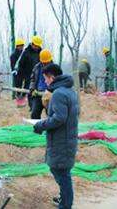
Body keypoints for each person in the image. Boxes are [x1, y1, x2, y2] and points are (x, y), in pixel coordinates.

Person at [33, 64, 79, 209]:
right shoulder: (70, 91)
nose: (45, 82)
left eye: (45, 78)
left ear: (52, 77)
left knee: (61, 173)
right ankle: (64, 198)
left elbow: (59, 118)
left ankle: (65, 204)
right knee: (61, 171)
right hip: (66, 138)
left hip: (61, 141)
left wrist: (41, 125)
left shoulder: (59, 93)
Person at [17, 35, 43, 108]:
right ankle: (31, 106)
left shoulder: (41, 52)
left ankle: (38, 105)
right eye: (35, 46)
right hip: (28, 75)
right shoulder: (26, 52)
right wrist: (20, 77)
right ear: (32, 44)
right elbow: (21, 65)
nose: (37, 47)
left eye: (38, 46)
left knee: (38, 90)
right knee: (30, 90)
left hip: (38, 74)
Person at [29, 49, 53, 119]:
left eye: (47, 62)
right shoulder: (37, 67)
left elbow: (57, 81)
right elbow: (32, 79)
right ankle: (36, 128)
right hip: (37, 94)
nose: (45, 64)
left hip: (49, 95)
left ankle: (51, 128)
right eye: (44, 62)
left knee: (51, 114)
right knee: (34, 114)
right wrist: (32, 88)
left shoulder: (54, 68)